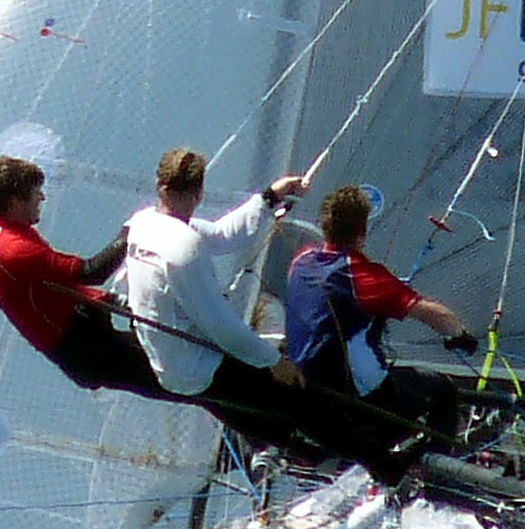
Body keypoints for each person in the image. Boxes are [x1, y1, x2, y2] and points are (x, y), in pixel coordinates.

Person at [113, 146, 333, 463]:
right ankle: (355, 453)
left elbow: (222, 234)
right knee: (289, 394)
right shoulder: (182, 246)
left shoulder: (145, 223)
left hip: (175, 363)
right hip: (196, 368)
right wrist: (274, 361)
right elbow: (221, 328)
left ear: (160, 186)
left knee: (252, 414)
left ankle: (293, 450)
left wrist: (271, 196)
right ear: (199, 193)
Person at [281, 184, 475, 478]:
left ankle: (383, 461)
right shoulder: (362, 276)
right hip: (359, 401)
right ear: (363, 231)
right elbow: (433, 313)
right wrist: (460, 336)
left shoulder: (301, 260)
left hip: (307, 395)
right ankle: (436, 481)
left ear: (324, 226)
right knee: (443, 391)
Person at [0, 154, 161, 398]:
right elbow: (92, 272)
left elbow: (54, 286)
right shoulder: (14, 249)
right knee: (186, 382)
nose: (42, 197)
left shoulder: (7, 233)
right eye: (35, 193)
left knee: (185, 376)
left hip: (87, 335)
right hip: (86, 349)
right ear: (15, 202)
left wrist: (109, 300)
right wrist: (132, 230)